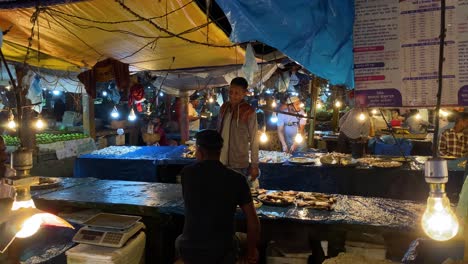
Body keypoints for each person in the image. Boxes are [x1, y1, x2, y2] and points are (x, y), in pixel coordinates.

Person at [175, 130, 260, 264]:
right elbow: (253, 222)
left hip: (189, 248)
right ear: (220, 151)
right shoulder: (237, 179)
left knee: (179, 240)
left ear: (199, 151)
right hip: (222, 252)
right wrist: (251, 252)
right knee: (249, 244)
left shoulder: (187, 174)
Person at [217, 77, 259, 187]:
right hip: (220, 161)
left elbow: (254, 140)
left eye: (237, 93)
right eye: (231, 92)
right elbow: (218, 132)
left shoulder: (249, 111)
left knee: (237, 195)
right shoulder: (224, 108)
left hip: (239, 163)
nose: (232, 95)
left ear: (244, 93)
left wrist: (254, 165)